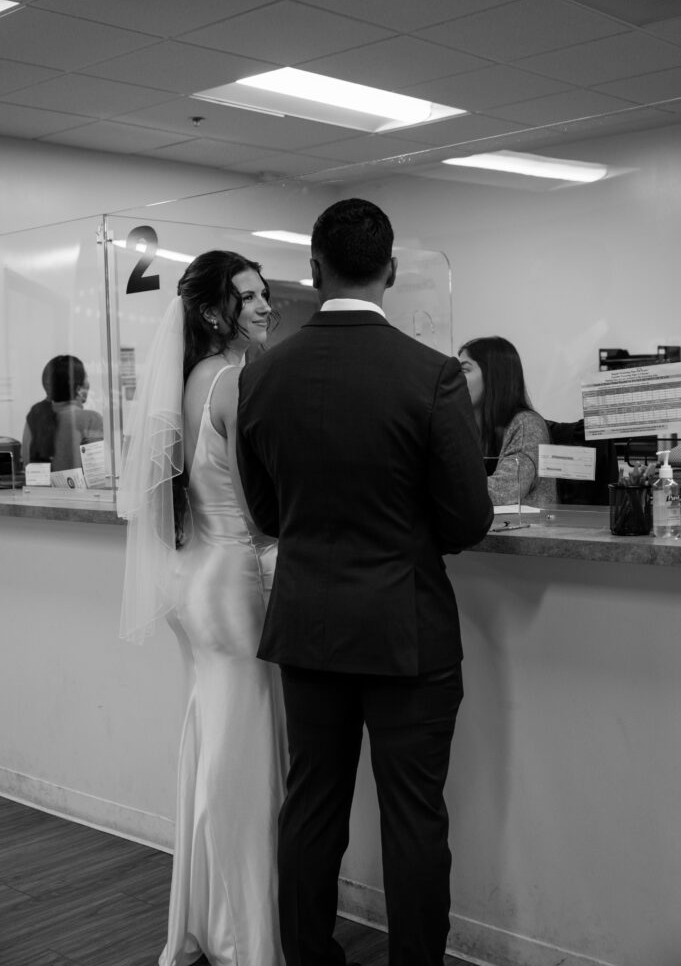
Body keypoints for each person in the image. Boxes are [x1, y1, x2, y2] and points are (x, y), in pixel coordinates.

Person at [236, 198, 494, 966]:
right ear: (391, 270)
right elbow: (467, 520)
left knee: (310, 805)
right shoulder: (431, 375)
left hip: (308, 623)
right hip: (405, 626)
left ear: (314, 269)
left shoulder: (263, 375)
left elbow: (268, 514)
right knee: (413, 815)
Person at [117, 251, 287, 966]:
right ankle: (242, 936)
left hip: (197, 576)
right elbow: (260, 509)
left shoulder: (190, 378)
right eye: (248, 297)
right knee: (242, 756)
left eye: (264, 293)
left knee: (216, 743)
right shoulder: (234, 380)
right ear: (215, 312)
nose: (265, 305)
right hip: (233, 580)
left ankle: (206, 920)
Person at [457, 335, 557, 507]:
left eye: (464, 370)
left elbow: (503, 492)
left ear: (493, 375)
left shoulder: (526, 424)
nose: (455, 379)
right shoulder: (468, 427)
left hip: (524, 525)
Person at [21, 354, 103, 471]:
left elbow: (26, 461)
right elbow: (99, 471)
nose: (88, 383)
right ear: (79, 389)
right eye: (86, 378)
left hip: (38, 484)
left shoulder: (36, 415)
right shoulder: (92, 419)